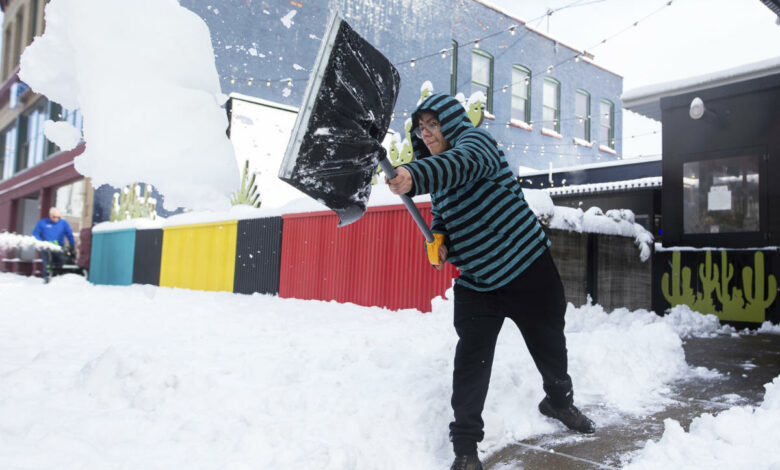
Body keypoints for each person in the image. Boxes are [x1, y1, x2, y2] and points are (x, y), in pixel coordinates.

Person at [386, 93, 595, 470]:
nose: (426, 133)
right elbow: (442, 213)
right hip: (479, 281)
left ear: (451, 121)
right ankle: (465, 448)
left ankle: (559, 403)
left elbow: (460, 165)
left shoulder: (477, 143)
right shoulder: (439, 172)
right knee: (471, 363)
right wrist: (439, 238)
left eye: (433, 124)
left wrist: (414, 175)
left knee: (550, 349)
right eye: (421, 128)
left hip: (527, 268)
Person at [32, 207, 75, 283]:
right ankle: (47, 277)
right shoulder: (42, 223)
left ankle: (60, 277)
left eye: (58, 217)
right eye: (54, 217)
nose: (56, 219)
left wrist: (72, 245)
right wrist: (42, 243)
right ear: (50, 215)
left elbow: (69, 234)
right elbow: (35, 234)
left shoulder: (63, 223)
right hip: (46, 247)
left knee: (62, 260)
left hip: (59, 247)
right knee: (48, 261)